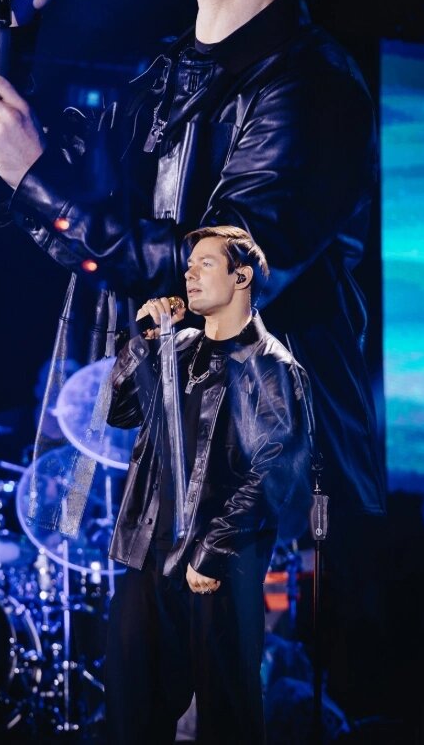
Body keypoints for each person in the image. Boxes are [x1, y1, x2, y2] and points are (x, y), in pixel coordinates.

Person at [0, 0, 387, 714]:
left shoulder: (313, 86)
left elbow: (227, 268)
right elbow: (4, 195)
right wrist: (10, 34)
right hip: (166, 485)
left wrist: (42, 180)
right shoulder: (158, 87)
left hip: (275, 497)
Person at [103, 224, 314, 744]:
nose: (189, 274)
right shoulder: (177, 349)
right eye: (189, 265)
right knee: (134, 709)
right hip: (149, 553)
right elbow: (119, 410)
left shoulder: (271, 365)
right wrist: (146, 341)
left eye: (205, 264)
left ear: (241, 277)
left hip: (218, 562)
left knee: (226, 713)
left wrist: (213, 549)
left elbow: (275, 469)